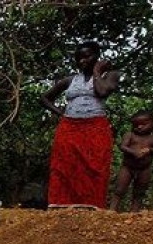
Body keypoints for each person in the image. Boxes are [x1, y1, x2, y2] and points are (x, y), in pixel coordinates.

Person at [40, 41, 120, 209]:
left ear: (97, 57)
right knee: (65, 166)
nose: (83, 61)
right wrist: (60, 113)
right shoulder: (70, 80)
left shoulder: (110, 75)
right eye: (79, 58)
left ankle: (91, 206)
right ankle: (62, 206)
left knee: (95, 166)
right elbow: (45, 98)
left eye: (87, 56)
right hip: (69, 128)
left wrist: (97, 70)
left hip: (96, 127)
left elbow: (103, 91)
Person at [110, 110, 153, 212]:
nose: (139, 127)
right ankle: (111, 211)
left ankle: (134, 213)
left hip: (144, 169)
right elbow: (123, 146)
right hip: (127, 167)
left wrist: (149, 150)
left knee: (139, 193)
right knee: (119, 190)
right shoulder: (130, 135)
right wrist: (134, 152)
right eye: (136, 125)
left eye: (143, 124)